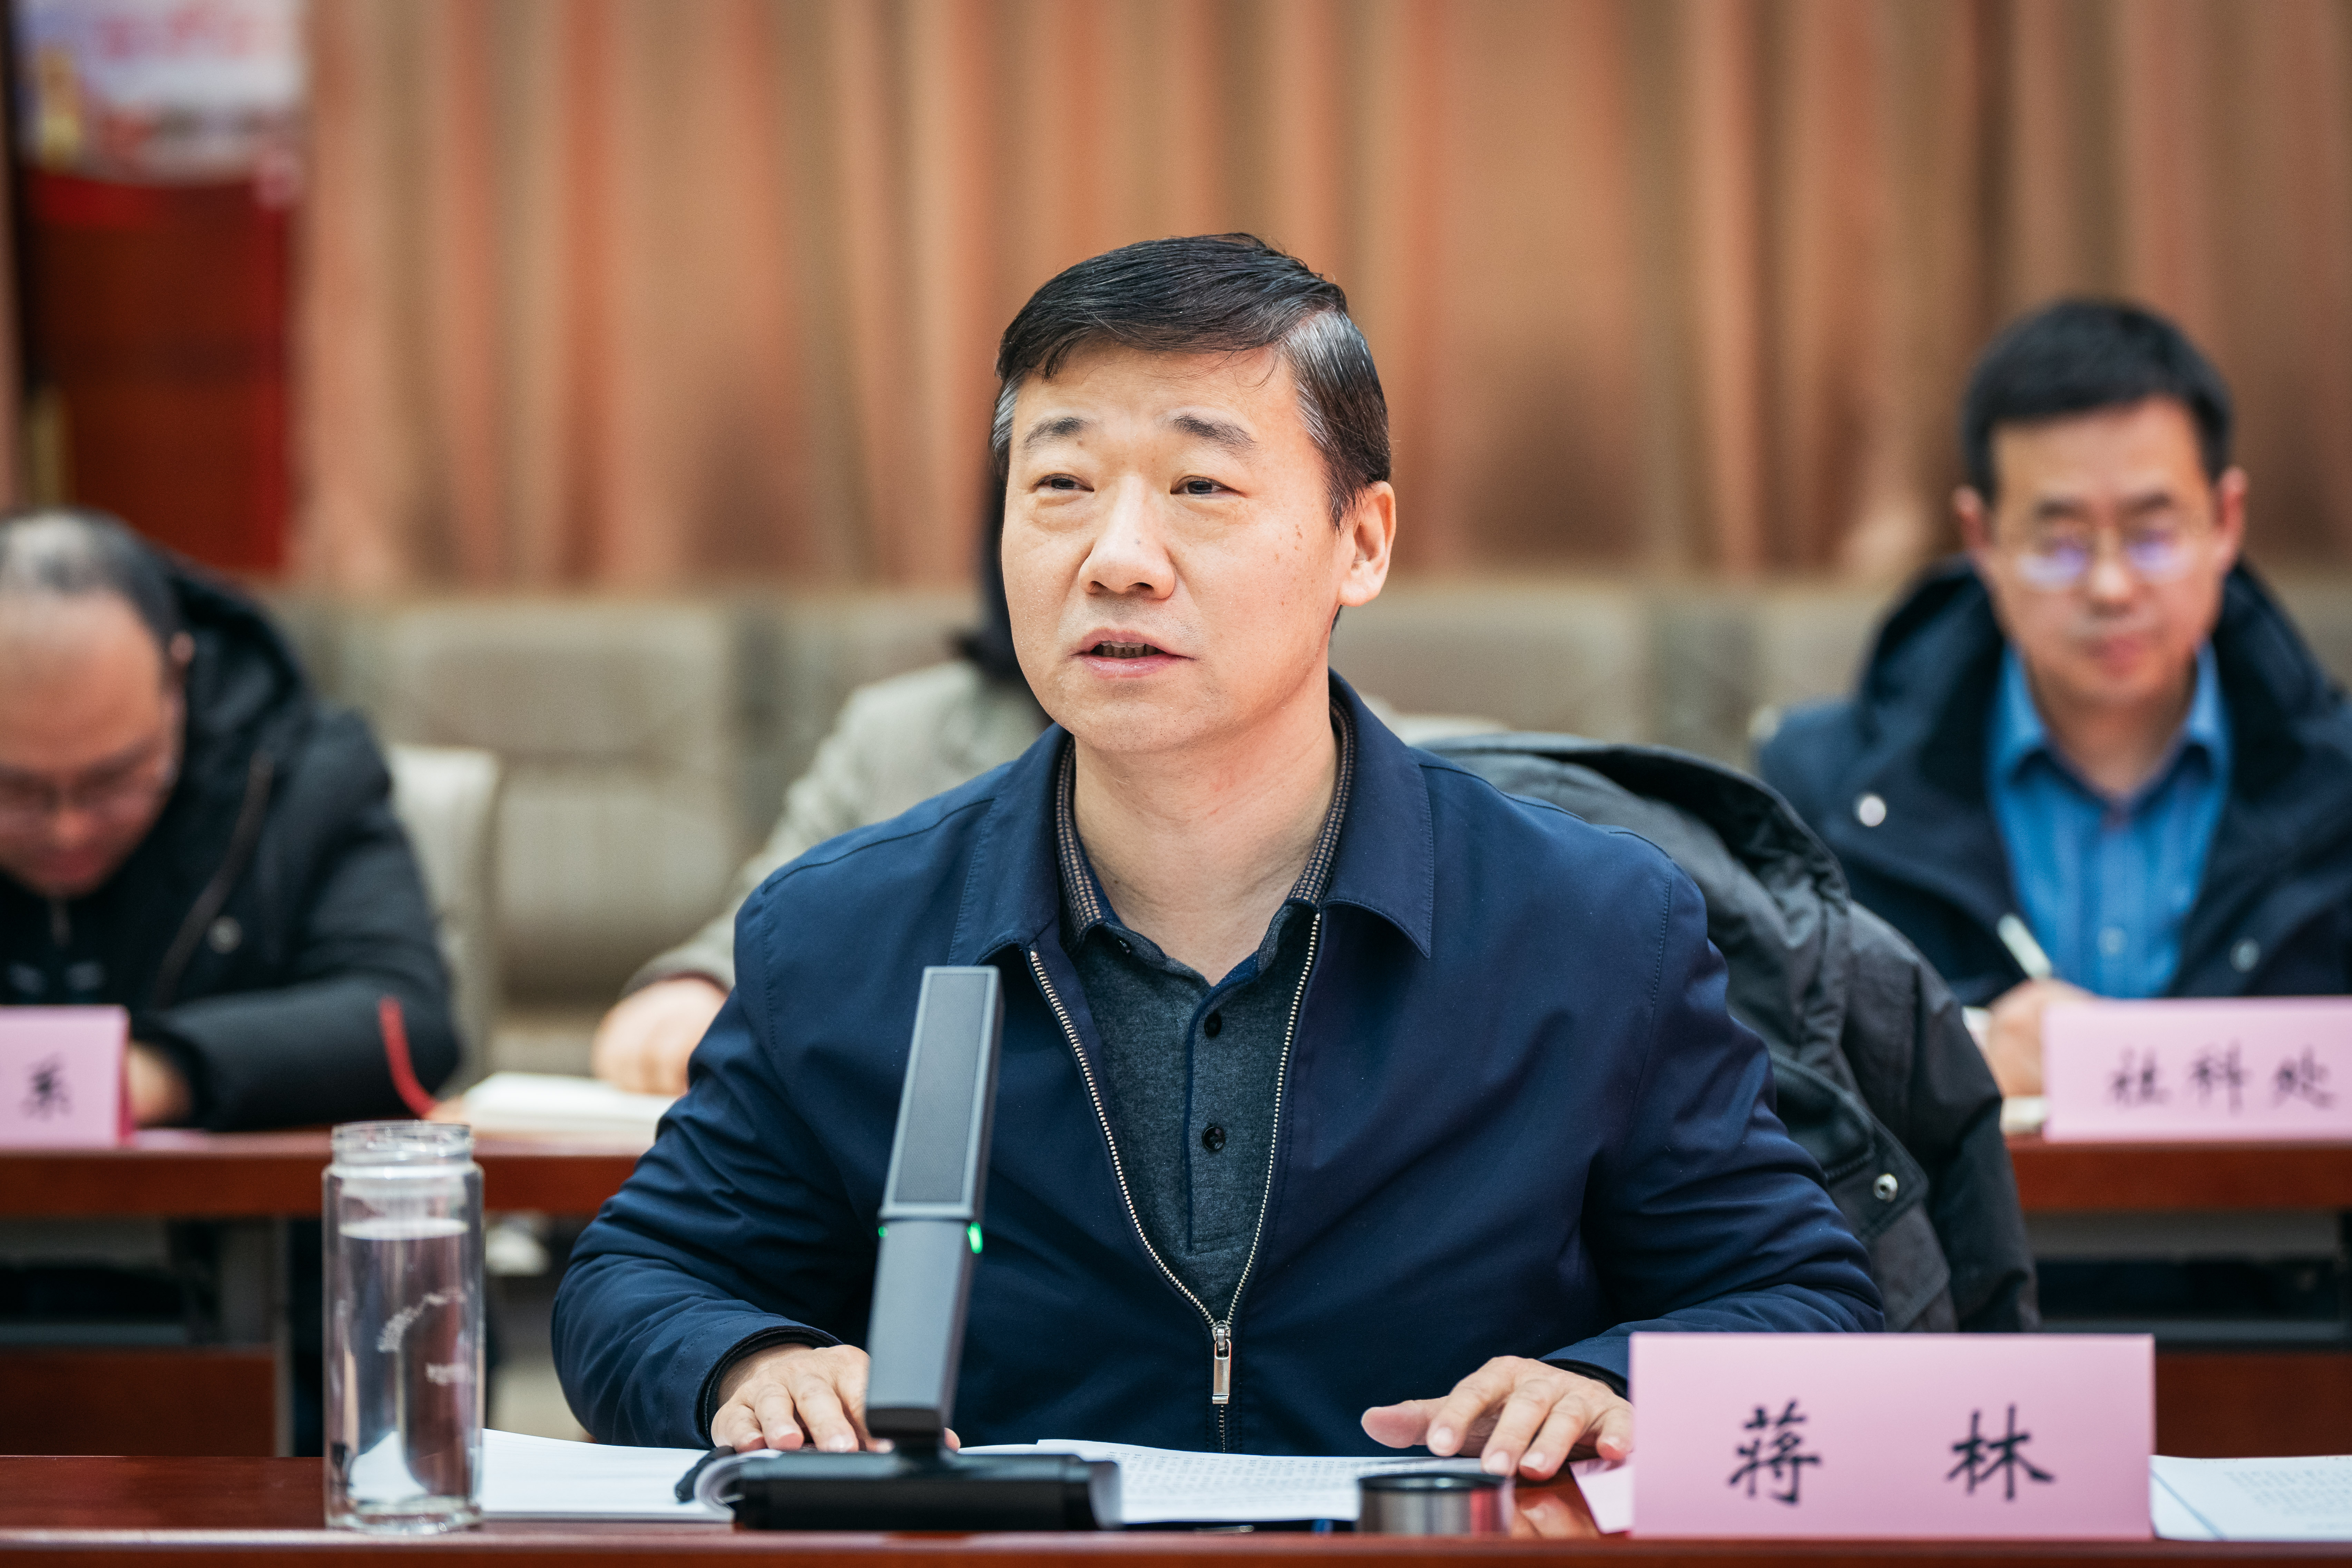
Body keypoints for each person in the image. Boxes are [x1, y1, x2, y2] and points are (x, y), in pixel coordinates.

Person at [555, 234, 1879, 1474]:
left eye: (1200, 488)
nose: (1117, 559)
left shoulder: (1588, 922)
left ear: (1361, 543)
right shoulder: (842, 933)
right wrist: (749, 1361)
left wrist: (1612, 1382)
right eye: (1061, 487)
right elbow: (638, 1280)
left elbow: (1799, 1292)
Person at [1759, 301, 2352, 1097]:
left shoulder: (2337, 786)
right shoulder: (1823, 791)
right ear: (1983, 540)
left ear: (2225, 521)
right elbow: (1773, 1078)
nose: (2110, 586)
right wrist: (1960, 1054)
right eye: (2061, 541)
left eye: (2152, 533)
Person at [0, 509, 459, 1126]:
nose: (68, 828)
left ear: (176, 681)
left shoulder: (302, 776)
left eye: (112, 782)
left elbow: (406, 1020)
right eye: (16, 791)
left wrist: (155, 1074)